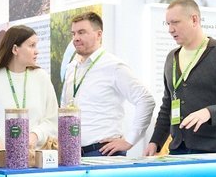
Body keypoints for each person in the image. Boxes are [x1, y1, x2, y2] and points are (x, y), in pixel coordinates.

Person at [146, 0, 216, 155]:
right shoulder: (171, 58)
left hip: (214, 153)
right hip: (177, 151)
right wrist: (155, 142)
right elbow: (168, 104)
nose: (170, 29)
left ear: (194, 20)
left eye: (175, 22)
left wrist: (209, 113)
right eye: (168, 24)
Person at [60, 11, 154, 156]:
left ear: (99, 34)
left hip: (103, 152)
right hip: (73, 153)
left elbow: (145, 99)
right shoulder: (72, 68)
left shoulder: (113, 66)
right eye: (73, 33)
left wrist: (130, 140)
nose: (76, 38)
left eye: (82, 32)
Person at [0, 25, 58, 150]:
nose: (37, 51)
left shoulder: (42, 78)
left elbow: (53, 119)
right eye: (31, 45)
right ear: (15, 49)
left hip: (35, 157)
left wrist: (36, 135)